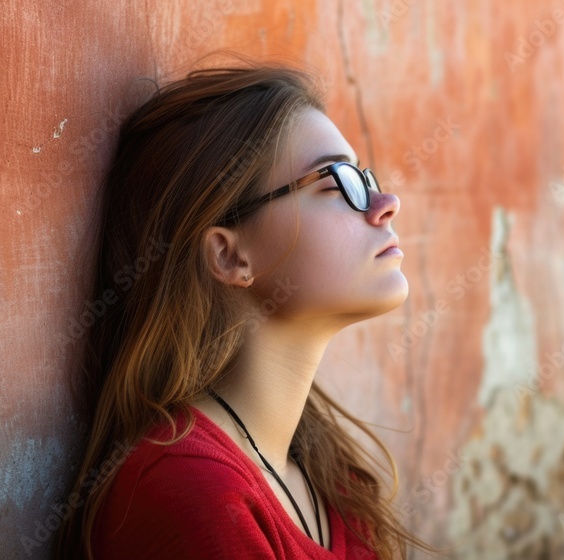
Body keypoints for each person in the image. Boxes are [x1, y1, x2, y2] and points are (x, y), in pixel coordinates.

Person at [53, 53, 443, 559]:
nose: (384, 201)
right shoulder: (193, 493)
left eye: (364, 179)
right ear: (229, 254)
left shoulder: (330, 475)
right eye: (335, 182)